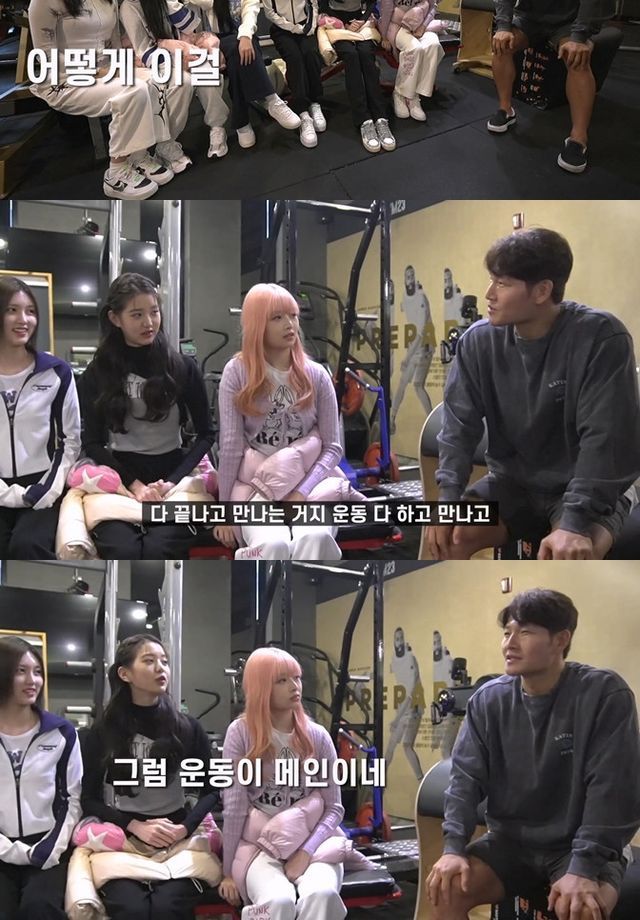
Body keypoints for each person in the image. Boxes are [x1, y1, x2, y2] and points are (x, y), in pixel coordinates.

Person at [425, 227, 640, 561]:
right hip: (513, 486)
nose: (489, 294)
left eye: (502, 283)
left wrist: (573, 522)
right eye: (491, 280)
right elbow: (458, 428)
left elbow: (604, 441)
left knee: (567, 555)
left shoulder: (601, 338)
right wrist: (448, 500)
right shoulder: (477, 342)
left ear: (542, 291)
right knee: (450, 537)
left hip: (584, 487)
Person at [426, 588, 640, 920]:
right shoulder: (488, 701)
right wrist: (453, 848)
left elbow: (613, 791)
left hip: (577, 845)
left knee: (582, 909)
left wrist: (583, 868)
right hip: (511, 844)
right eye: (507, 632)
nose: (509, 644)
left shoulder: (604, 693)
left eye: (525, 632)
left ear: (561, 639)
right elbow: (465, 781)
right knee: (447, 889)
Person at [80, 634, 219, 920]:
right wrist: (133, 825)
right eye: (149, 661)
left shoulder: (187, 728)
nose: (161, 668)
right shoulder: (103, 731)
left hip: (178, 838)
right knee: (132, 909)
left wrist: (184, 828)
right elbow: (88, 798)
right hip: (125, 838)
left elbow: (213, 789)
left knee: (167, 908)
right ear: (125, 674)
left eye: (164, 662)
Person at [78, 272, 215, 559]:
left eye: (154, 312)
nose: (149, 322)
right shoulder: (97, 373)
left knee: (158, 549)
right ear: (115, 318)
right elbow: (91, 443)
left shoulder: (182, 367)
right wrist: (134, 484)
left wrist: (171, 482)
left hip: (173, 476)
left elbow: (206, 434)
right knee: (122, 549)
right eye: (137, 314)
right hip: (121, 476)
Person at [215, 282, 344, 560]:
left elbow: (333, 447)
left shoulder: (317, 375)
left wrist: (301, 492)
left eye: (293, 316)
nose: (290, 324)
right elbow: (230, 447)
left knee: (316, 537)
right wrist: (224, 512)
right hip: (258, 485)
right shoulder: (237, 372)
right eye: (277, 317)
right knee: (273, 546)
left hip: (310, 483)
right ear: (257, 324)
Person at [218, 647, 347, 919]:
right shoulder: (240, 733)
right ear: (261, 687)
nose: (294, 686)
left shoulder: (318, 736)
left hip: (313, 841)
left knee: (321, 895)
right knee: (278, 901)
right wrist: (228, 871)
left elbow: (334, 808)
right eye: (282, 680)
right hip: (261, 845)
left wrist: (306, 852)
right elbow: (234, 808)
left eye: (297, 678)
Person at [28, 0, 195, 199]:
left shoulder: (108, 1)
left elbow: (114, 43)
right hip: (64, 80)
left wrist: (123, 65)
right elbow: (44, 56)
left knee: (169, 80)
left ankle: (140, 155)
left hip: (107, 71)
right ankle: (116, 172)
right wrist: (94, 69)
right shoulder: (43, 2)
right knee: (134, 90)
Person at [0, 636, 83, 920]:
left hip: (48, 847)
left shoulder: (61, 733)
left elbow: (72, 797)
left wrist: (50, 848)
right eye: (20, 671)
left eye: (37, 672)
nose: (32, 680)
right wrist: (8, 849)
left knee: (39, 909)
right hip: (0, 845)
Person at [0, 277, 81, 559]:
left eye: (30, 311)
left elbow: (70, 440)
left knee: (27, 547)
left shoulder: (56, 372)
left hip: (43, 487)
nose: (23, 320)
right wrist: (7, 495)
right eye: (12, 310)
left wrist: (45, 490)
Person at [487, 0, 610, 173]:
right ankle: (505, 109)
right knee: (502, 46)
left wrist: (580, 36)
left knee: (577, 61)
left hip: (569, 22)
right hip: (530, 19)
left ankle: (579, 138)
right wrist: (503, 27)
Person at [120, 0, 231, 160]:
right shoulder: (129, 7)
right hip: (156, 62)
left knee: (205, 68)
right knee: (183, 82)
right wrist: (174, 54)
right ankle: (166, 143)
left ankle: (217, 127)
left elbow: (189, 25)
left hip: (183, 51)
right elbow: (145, 53)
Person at [203, 0, 301, 149]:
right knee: (237, 50)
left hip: (242, 33)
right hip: (212, 40)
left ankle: (242, 121)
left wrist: (245, 36)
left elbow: (251, 9)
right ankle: (271, 99)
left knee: (241, 53)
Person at [319, 0, 396, 153]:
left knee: (366, 54)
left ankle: (380, 117)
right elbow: (322, 4)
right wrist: (342, 24)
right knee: (351, 55)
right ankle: (363, 119)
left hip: (361, 22)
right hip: (335, 24)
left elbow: (372, 2)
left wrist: (361, 20)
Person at [262, 0, 326, 148]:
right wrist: (293, 28)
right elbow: (270, 13)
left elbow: (313, 4)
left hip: (306, 25)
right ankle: (302, 111)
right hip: (282, 29)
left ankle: (315, 102)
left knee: (311, 54)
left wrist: (311, 26)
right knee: (295, 59)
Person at [378, 0, 445, 121]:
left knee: (433, 45)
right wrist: (384, 37)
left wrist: (422, 27)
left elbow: (432, 7)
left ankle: (413, 95)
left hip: (422, 24)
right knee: (414, 48)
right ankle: (400, 93)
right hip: (398, 26)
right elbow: (386, 11)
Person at [390, 264, 436, 434]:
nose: (409, 279)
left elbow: (422, 331)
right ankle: (391, 419)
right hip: (414, 344)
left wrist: (407, 357)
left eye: (412, 276)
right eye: (407, 276)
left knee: (417, 384)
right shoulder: (405, 296)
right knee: (403, 382)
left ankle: (433, 421)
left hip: (425, 344)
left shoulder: (421, 297)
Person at [385, 627, 424, 780]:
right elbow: (384, 672)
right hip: (403, 709)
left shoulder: (410, 659)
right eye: (397, 639)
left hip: (413, 708)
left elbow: (409, 696)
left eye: (401, 638)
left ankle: (421, 780)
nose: (399, 642)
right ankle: (378, 783)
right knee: (390, 745)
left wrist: (396, 720)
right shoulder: (394, 659)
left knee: (407, 745)